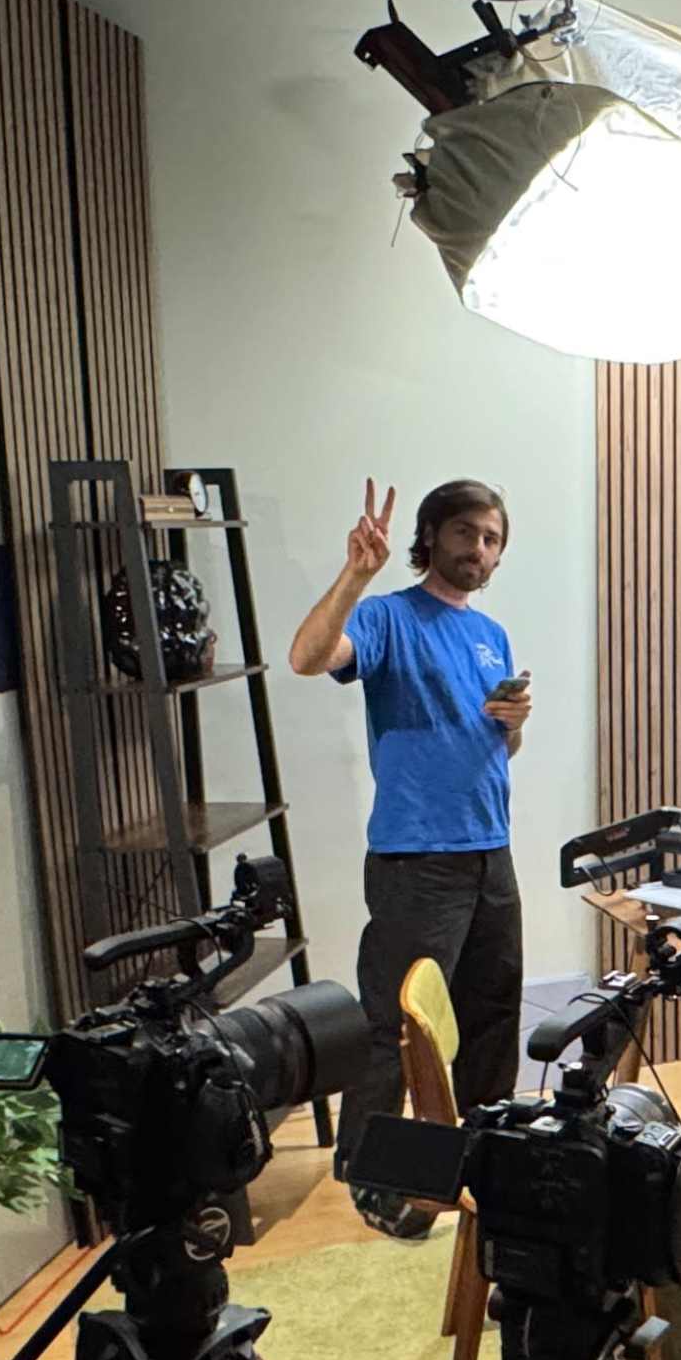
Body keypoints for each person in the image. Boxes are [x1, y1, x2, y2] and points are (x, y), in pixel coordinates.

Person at [290, 474, 531, 1240]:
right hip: (414, 860)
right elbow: (307, 656)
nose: (479, 550)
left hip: (491, 853)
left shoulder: (490, 635)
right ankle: (375, 1175)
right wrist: (357, 571)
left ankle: (479, 1154)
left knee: (489, 1017)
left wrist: (514, 721)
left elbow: (499, 744)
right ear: (432, 537)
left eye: (491, 539)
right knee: (397, 1026)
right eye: (466, 533)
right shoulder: (389, 617)